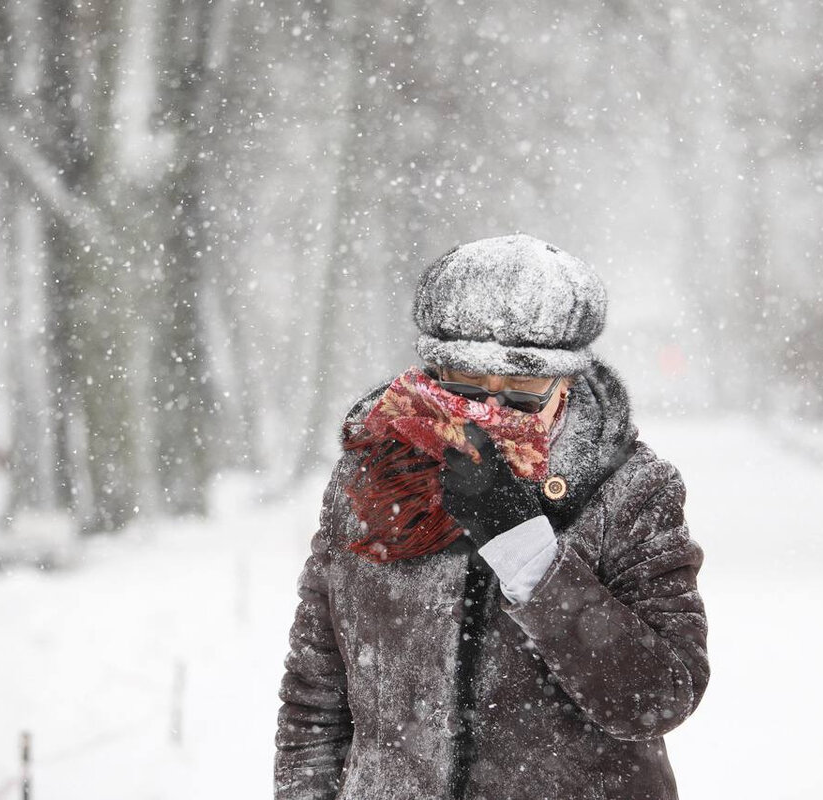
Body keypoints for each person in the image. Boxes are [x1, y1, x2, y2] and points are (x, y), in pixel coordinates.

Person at [275, 233, 709, 800]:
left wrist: (523, 547)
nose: (488, 411)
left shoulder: (631, 490)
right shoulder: (372, 479)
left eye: (523, 392)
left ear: (568, 381)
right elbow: (316, 701)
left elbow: (658, 697)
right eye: (462, 386)